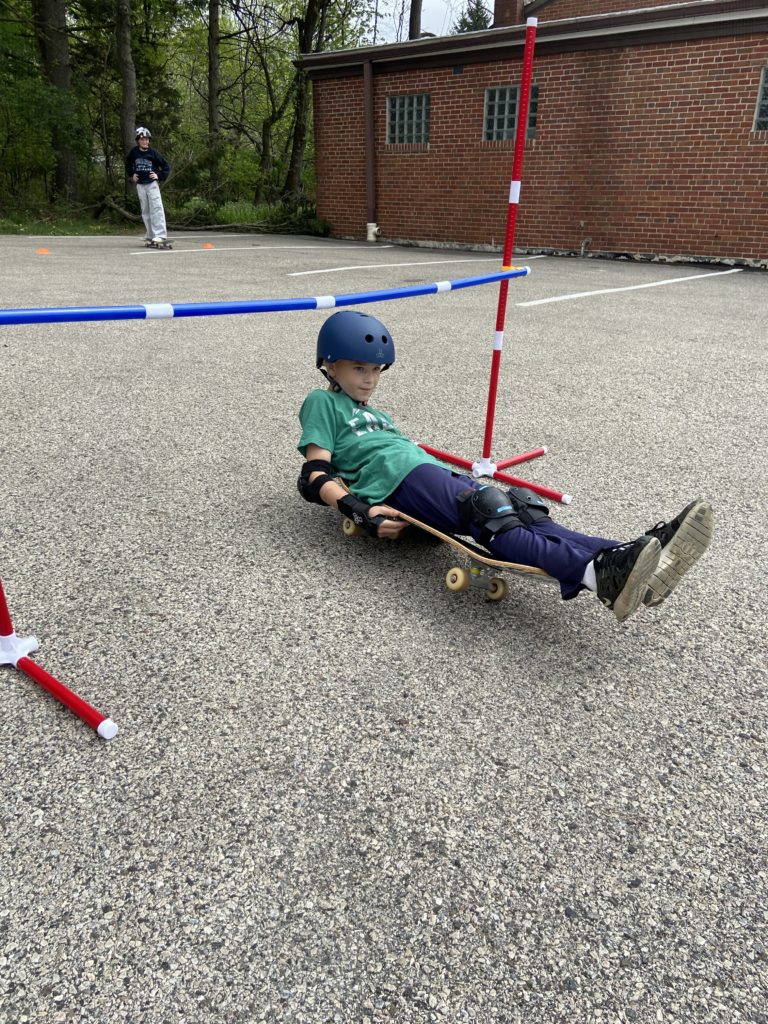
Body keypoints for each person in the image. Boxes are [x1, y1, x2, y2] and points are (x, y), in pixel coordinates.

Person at [297, 311, 713, 622]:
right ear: (330, 365)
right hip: (397, 482)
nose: (369, 379)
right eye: (358, 368)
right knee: (491, 516)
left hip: (424, 470)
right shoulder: (323, 402)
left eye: (375, 370)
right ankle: (593, 573)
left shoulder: (378, 414)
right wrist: (358, 510)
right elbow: (314, 476)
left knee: (522, 509)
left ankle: (626, 556)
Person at [125, 126, 170, 245]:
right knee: (145, 210)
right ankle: (150, 235)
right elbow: (128, 165)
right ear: (138, 140)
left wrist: (159, 176)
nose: (145, 141)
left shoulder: (153, 153)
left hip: (152, 184)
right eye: (143, 139)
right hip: (140, 185)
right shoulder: (134, 152)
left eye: (147, 139)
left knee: (156, 208)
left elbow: (165, 166)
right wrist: (132, 176)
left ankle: (160, 235)